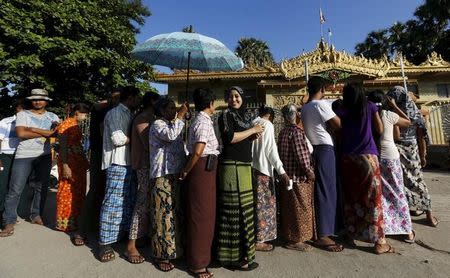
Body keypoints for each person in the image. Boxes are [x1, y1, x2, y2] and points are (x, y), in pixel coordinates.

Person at [337, 83, 394, 254]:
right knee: (373, 198)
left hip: (348, 157)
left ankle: (351, 233)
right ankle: (379, 241)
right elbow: (380, 128)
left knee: (352, 197)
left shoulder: (342, 110)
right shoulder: (369, 107)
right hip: (367, 156)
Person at [0, 89, 60, 237]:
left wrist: (32, 129)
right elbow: (21, 133)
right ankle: (9, 221)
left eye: (41, 99)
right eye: (34, 99)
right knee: (15, 188)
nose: (37, 101)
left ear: (46, 101)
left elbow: (56, 134)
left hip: (44, 155)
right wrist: (46, 132)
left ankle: (36, 215)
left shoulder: (53, 116)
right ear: (31, 100)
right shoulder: (22, 114)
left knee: (42, 187)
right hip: (23, 156)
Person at [217, 86, 264, 271]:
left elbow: (242, 139)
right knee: (234, 213)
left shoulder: (244, 117)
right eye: (230, 96)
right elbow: (229, 138)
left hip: (244, 167)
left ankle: (244, 255)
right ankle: (232, 258)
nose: (234, 99)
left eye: (237, 96)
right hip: (231, 167)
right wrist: (252, 130)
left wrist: (253, 135)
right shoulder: (226, 115)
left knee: (245, 212)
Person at [97, 86, 141, 262]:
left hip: (128, 163)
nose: (139, 101)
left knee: (126, 202)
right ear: (130, 98)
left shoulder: (129, 114)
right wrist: (134, 137)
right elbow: (118, 139)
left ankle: (119, 235)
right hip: (117, 163)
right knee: (112, 203)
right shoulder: (115, 113)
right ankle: (104, 243)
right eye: (137, 97)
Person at [180, 88, 220, 278]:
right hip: (201, 167)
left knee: (201, 214)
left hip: (205, 168)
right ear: (210, 103)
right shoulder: (203, 121)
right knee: (202, 216)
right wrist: (187, 170)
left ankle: (197, 257)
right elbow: (198, 150)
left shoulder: (199, 120)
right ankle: (198, 263)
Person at [301, 77, 343, 252]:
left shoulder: (304, 108)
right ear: (323, 89)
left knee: (321, 190)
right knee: (327, 190)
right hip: (325, 148)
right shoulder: (320, 104)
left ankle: (324, 229)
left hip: (314, 148)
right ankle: (323, 234)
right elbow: (338, 124)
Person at [387, 86, 438, 227]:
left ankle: (421, 213)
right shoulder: (415, 114)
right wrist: (422, 155)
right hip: (412, 151)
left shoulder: (393, 112)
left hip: (399, 150)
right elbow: (421, 137)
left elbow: (398, 135)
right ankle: (427, 214)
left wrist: (422, 154)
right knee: (417, 182)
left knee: (403, 183)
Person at [367, 90, 414, 242]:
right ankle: (407, 230)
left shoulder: (367, 116)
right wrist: (395, 107)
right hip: (391, 157)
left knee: (380, 194)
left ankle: (386, 227)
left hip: (375, 157)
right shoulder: (389, 115)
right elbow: (408, 121)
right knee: (398, 192)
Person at [149, 97, 188, 272]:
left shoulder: (175, 123)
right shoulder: (158, 124)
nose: (175, 109)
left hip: (174, 173)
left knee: (174, 214)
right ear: (162, 110)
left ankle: (175, 250)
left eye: (175, 107)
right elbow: (170, 136)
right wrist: (180, 116)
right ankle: (161, 254)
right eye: (171, 107)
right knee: (162, 215)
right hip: (162, 174)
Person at [125, 91, 160, 264]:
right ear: (153, 102)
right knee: (141, 203)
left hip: (152, 166)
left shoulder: (151, 118)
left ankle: (142, 236)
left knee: (148, 202)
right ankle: (131, 244)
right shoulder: (142, 119)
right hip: (144, 166)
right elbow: (149, 144)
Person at [81, 89, 121, 235]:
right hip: (99, 153)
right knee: (95, 189)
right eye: (113, 97)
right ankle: (83, 229)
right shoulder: (101, 111)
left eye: (118, 98)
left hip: (113, 155)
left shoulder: (118, 112)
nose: (115, 100)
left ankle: (100, 225)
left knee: (109, 191)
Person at [278, 104, 316, 251]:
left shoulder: (282, 132)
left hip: (287, 177)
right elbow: (302, 157)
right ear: (296, 116)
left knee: (290, 209)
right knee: (301, 209)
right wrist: (309, 171)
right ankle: (296, 240)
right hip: (298, 178)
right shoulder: (297, 132)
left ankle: (289, 236)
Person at [251, 105, 290, 251]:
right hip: (263, 171)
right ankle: (259, 239)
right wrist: (281, 171)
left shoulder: (251, 123)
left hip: (251, 169)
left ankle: (255, 236)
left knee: (255, 205)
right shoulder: (267, 124)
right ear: (271, 116)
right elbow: (271, 150)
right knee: (264, 206)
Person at [54, 104, 90, 243]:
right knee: (66, 190)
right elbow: (62, 145)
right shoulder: (66, 124)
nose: (85, 117)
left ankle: (74, 220)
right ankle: (65, 223)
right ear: (77, 112)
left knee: (77, 191)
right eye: (84, 114)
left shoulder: (74, 123)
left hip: (77, 161)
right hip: (69, 161)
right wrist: (65, 165)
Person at [0, 100, 24, 224]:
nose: (22, 112)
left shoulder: (27, 123)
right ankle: (2, 217)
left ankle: (9, 215)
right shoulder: (6, 122)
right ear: (16, 109)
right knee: (3, 186)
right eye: (21, 109)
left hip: (21, 157)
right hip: (6, 156)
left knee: (14, 187)